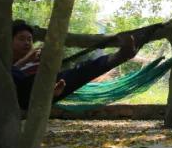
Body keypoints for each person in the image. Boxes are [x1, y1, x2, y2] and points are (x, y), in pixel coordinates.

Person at [10, 20, 145, 110]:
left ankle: (120, 56)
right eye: (21, 39)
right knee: (15, 76)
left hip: (36, 95)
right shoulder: (2, 61)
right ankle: (49, 92)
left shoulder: (35, 61)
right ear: (9, 41)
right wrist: (25, 61)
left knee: (79, 72)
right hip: (14, 95)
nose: (27, 43)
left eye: (29, 39)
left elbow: (55, 72)